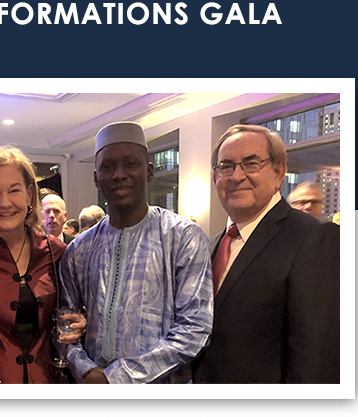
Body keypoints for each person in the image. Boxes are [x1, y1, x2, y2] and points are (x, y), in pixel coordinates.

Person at [59, 121, 213, 384]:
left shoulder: (182, 237)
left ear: (149, 171)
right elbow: (65, 323)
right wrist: (85, 368)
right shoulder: (78, 249)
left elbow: (195, 327)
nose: (119, 174)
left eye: (131, 164)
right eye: (108, 167)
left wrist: (117, 378)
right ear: (96, 177)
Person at [192, 124, 340, 383]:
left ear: (278, 171)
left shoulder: (313, 238)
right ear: (215, 177)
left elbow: (316, 356)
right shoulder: (210, 246)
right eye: (226, 166)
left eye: (251, 164)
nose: (237, 176)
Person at [0, 146, 85, 384]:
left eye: (14, 190)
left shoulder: (56, 251)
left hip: (45, 382)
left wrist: (82, 321)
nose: (5, 202)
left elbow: (74, 306)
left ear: (30, 194)